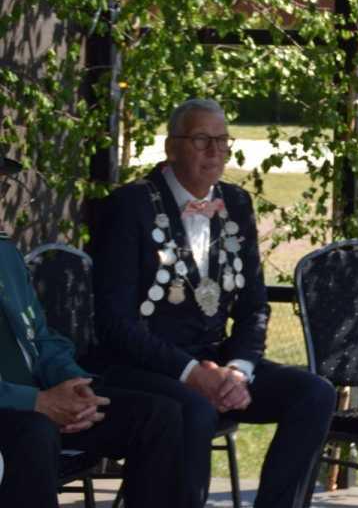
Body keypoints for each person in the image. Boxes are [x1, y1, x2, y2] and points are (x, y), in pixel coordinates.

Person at [89, 98, 336, 508]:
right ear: (171, 147)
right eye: (201, 139)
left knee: (315, 394)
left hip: (217, 360)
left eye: (222, 141)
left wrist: (238, 372)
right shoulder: (129, 206)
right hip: (141, 365)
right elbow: (115, 324)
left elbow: (254, 306)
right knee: (194, 409)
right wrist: (190, 374)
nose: (215, 152)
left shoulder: (236, 204)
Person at [0, 237, 183, 507]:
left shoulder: (5, 254)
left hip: (41, 399)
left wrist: (74, 383)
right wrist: (36, 402)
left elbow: (41, 339)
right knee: (36, 432)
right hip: (15, 411)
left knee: (157, 415)